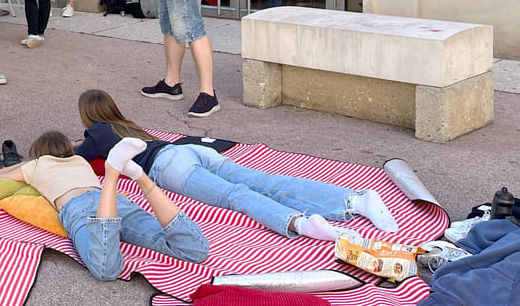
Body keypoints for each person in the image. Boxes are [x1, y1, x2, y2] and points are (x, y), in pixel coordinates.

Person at [74, 89, 398, 240]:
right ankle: (353, 200)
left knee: (236, 196)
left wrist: (78, 143)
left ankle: (297, 223)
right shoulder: (123, 125)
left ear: (88, 116)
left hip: (169, 167)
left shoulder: (98, 132)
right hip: (188, 150)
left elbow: (73, 159)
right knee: (266, 181)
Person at [0, 130, 209, 281]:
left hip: (79, 208)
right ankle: (140, 178)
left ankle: (111, 176)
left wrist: (21, 164)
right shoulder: (79, 160)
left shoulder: (36, 165)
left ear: (38, 153)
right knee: (193, 250)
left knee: (105, 269)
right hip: (114, 201)